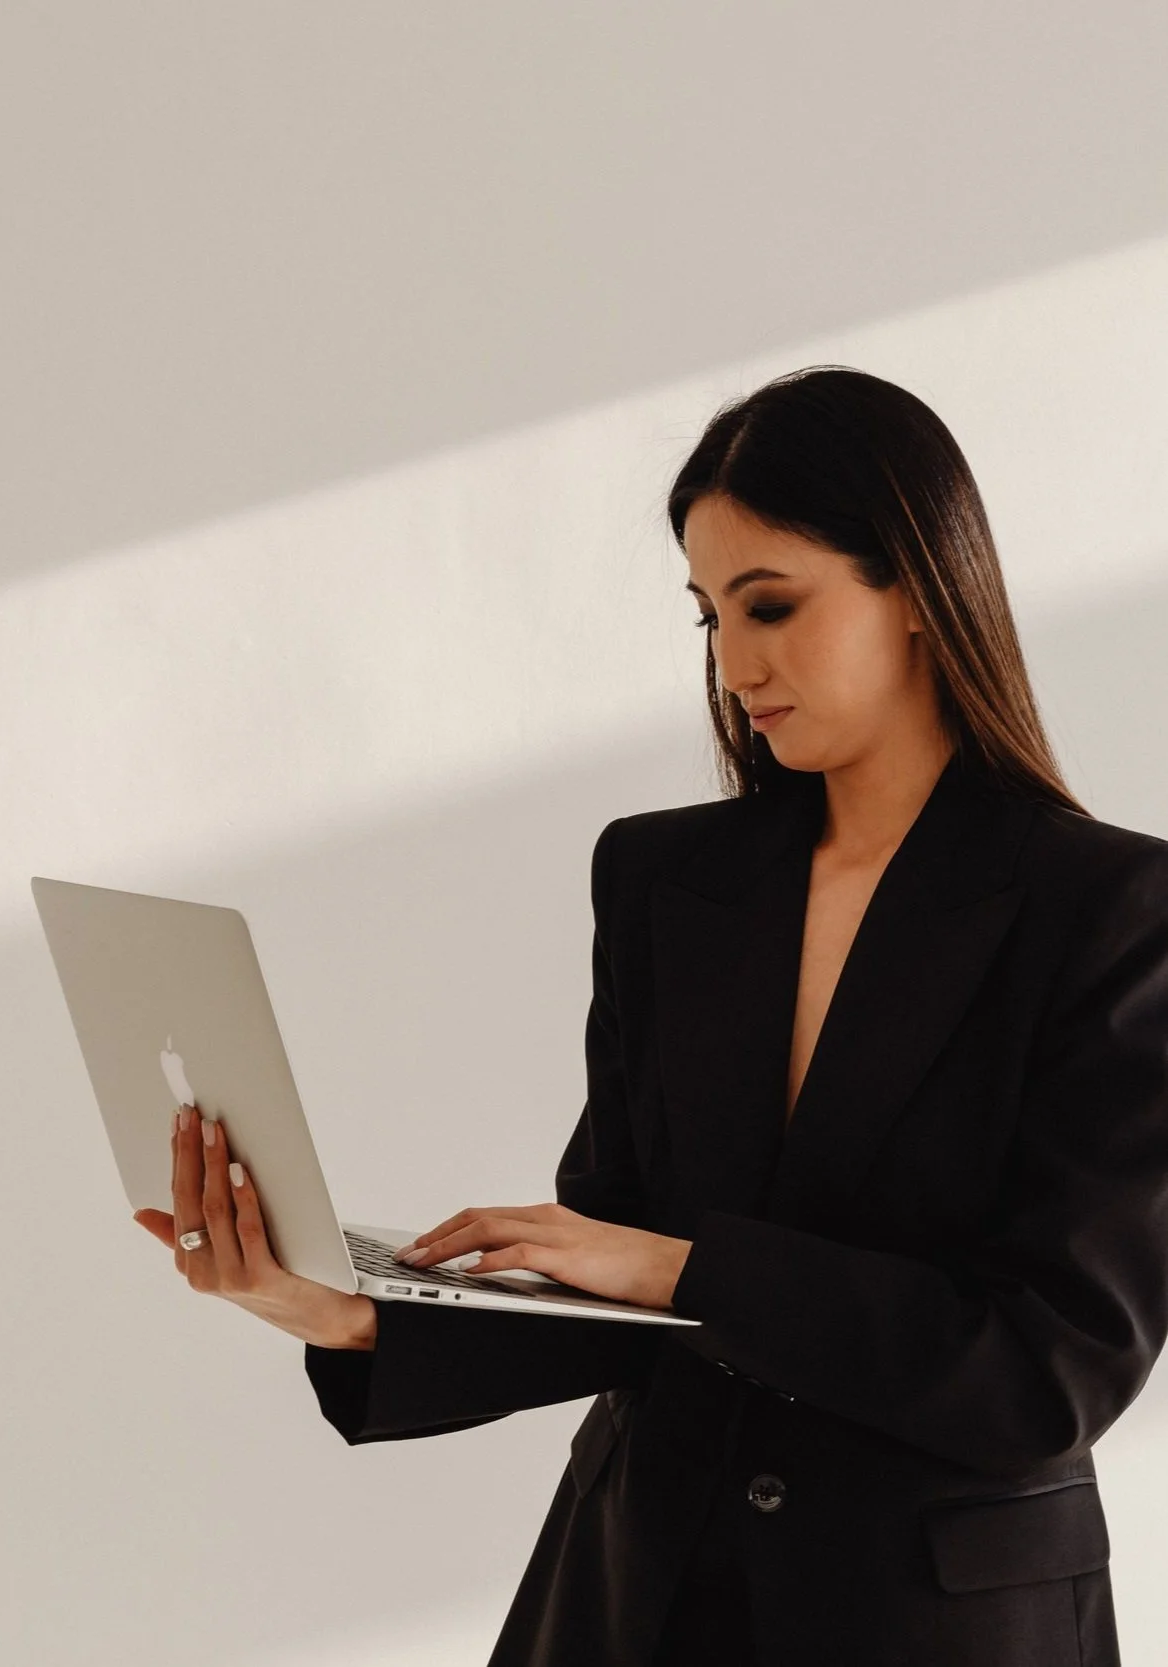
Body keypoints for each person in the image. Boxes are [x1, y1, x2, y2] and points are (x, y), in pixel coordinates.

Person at [135, 365, 1168, 1667]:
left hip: (933, 1625)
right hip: (643, 1598)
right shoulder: (661, 881)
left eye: (771, 605)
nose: (735, 665)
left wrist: (687, 1266)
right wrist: (344, 1311)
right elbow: (606, 1287)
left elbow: (1048, 1371)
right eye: (707, 618)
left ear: (913, 588)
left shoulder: (1110, 911)